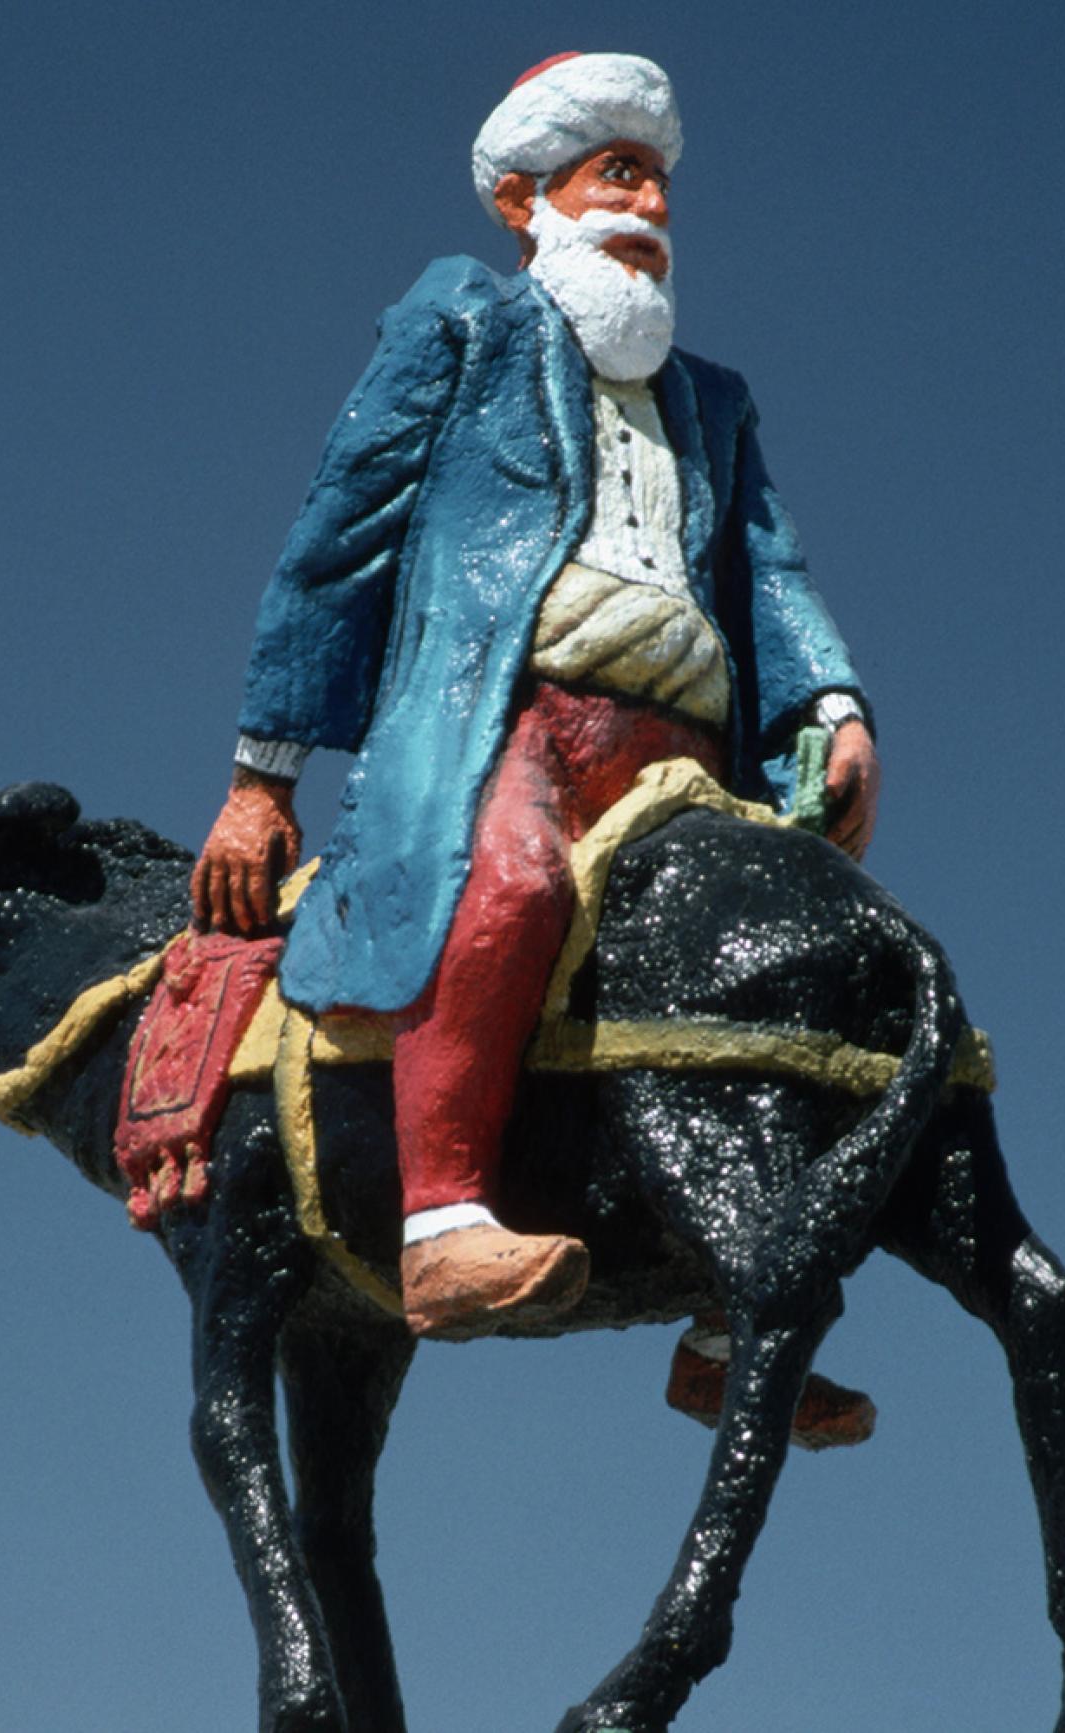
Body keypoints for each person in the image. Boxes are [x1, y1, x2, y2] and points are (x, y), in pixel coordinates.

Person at [193, 52, 878, 1347]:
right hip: (518, 727)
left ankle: (743, 1321)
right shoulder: (466, 323)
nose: (651, 208)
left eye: (662, 184)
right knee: (508, 883)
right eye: (620, 174)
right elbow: (342, 532)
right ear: (527, 201)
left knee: (777, 946)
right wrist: (259, 778)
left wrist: (834, 707)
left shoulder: (713, 405)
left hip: (687, 761)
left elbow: (769, 572)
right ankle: (442, 1223)